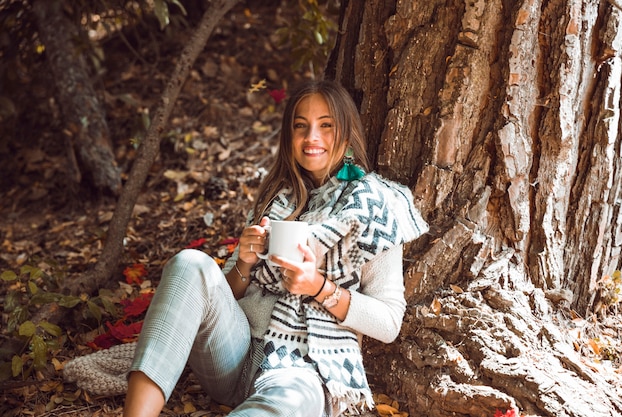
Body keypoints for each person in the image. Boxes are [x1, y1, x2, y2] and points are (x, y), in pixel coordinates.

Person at [122, 80, 429, 417]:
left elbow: (388, 322)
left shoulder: (377, 207)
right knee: (189, 264)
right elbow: (214, 298)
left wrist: (319, 288)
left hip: (305, 369)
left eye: (326, 125)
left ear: (346, 133)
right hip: (234, 356)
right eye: (301, 126)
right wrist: (244, 263)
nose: (311, 136)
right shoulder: (277, 197)